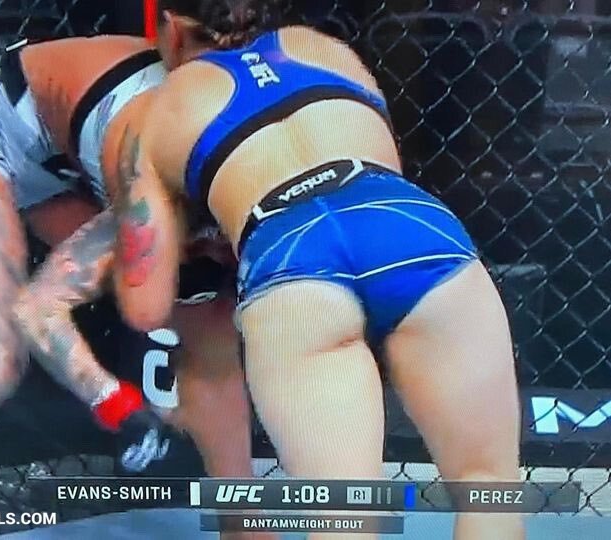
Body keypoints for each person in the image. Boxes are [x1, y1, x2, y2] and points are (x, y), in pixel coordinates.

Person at [110, 1, 525, 539]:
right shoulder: (325, 48)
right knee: (489, 488)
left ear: (169, 28)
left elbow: (146, 301)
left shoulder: (151, 112)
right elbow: (380, 166)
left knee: (345, 517)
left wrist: (193, 240)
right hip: (402, 224)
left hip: (289, 251)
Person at [0, 35, 255, 488]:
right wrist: (117, 405)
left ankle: (241, 516)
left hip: (62, 160)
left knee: (205, 316)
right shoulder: (156, 188)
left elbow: (216, 358)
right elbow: (38, 309)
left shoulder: (262, 189)